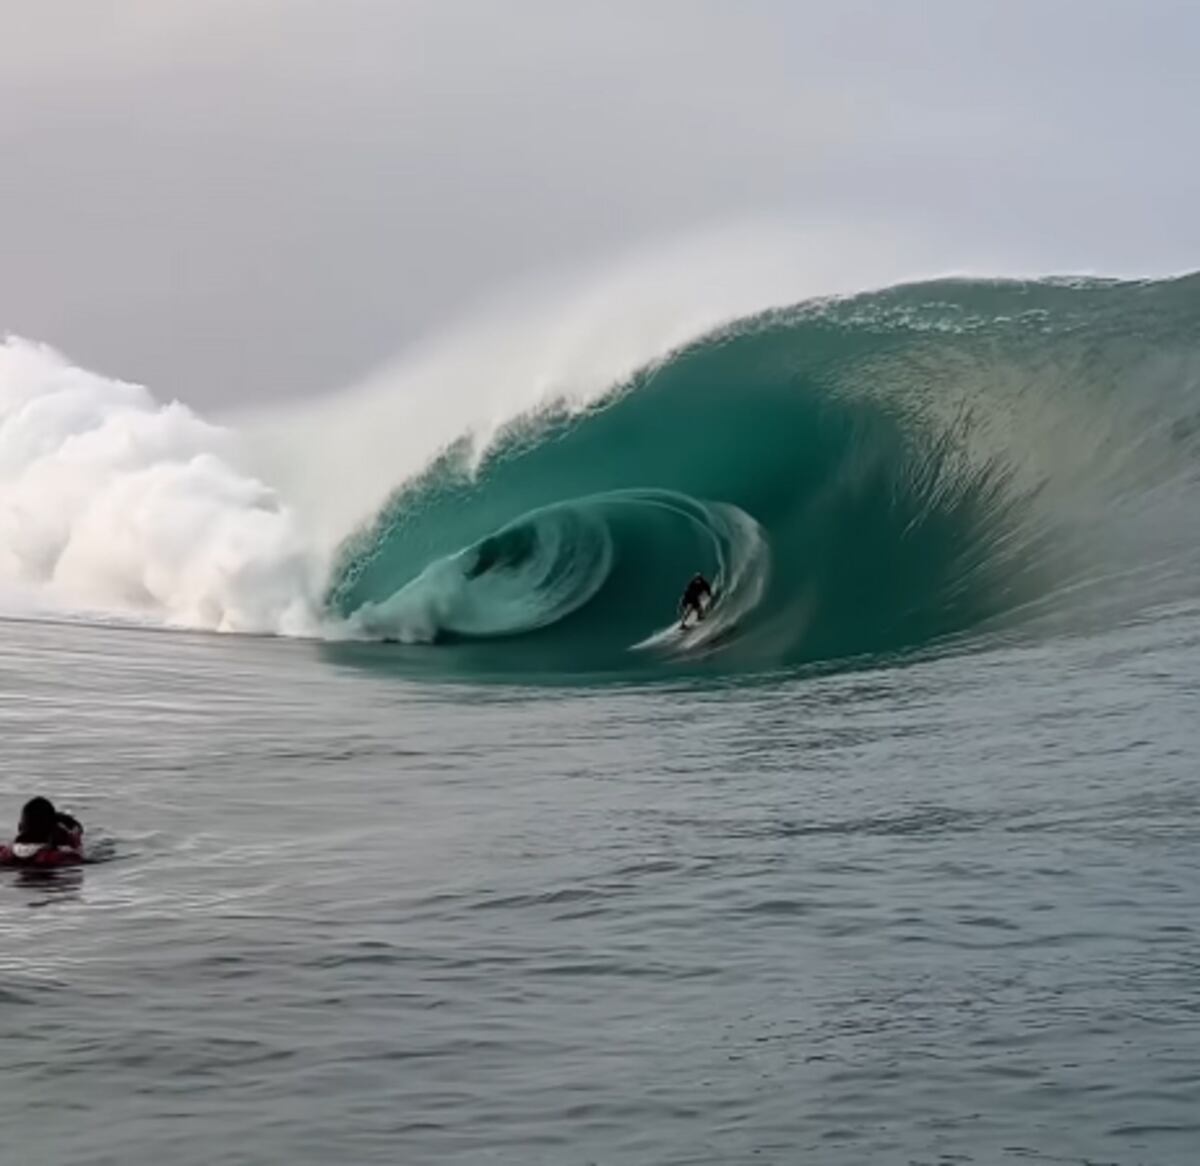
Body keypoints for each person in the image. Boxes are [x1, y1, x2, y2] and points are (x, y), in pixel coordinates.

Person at [0, 797, 85, 867]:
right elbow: (78, 849)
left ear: (19, 827)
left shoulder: (3, 853)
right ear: (53, 831)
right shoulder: (63, 857)